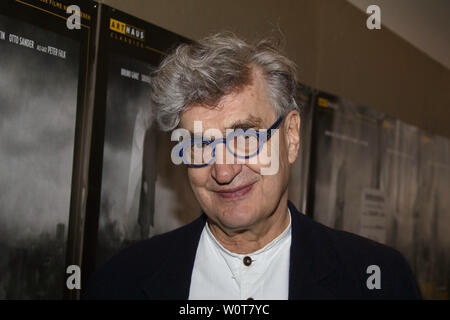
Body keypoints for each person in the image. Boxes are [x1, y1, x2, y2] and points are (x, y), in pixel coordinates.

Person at [83, 32, 422, 300]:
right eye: (200, 143)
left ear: (290, 136)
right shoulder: (120, 282)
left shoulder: (378, 280)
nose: (224, 171)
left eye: (244, 136)